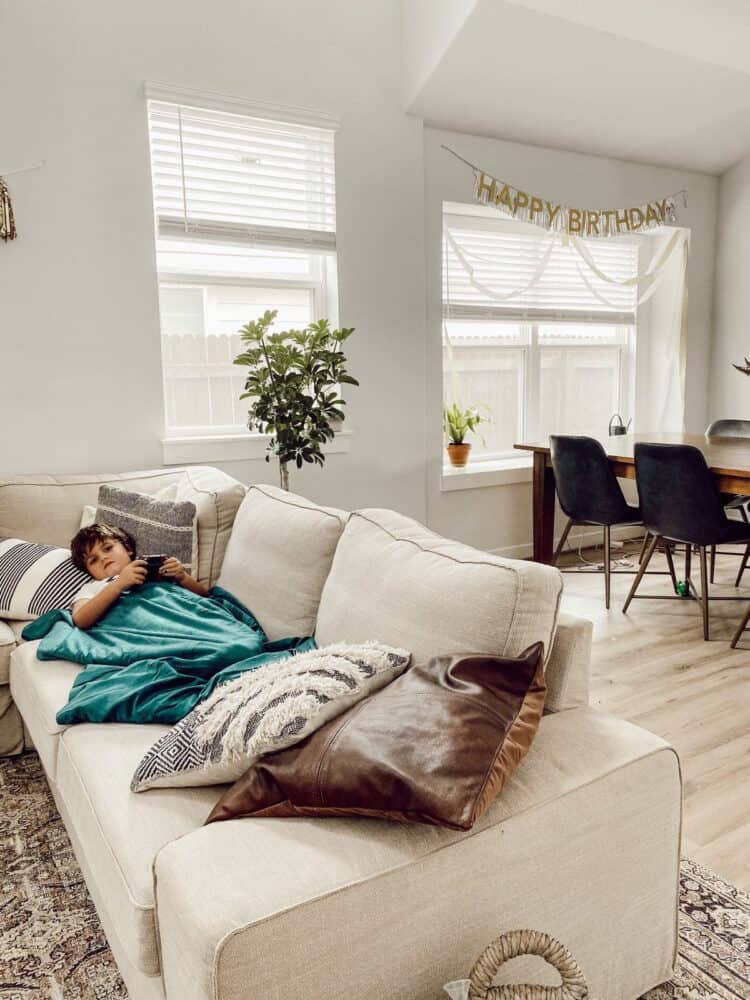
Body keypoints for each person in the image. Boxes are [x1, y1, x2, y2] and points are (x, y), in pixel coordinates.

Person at [69, 523, 208, 630]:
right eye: (93, 560)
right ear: (90, 573)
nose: (103, 557)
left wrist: (182, 577)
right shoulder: (93, 586)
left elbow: (204, 597)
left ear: (128, 549)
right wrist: (118, 585)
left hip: (177, 617)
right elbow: (80, 619)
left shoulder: (154, 568)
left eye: (107, 548)